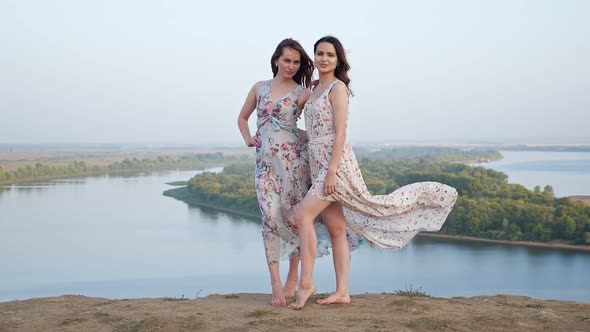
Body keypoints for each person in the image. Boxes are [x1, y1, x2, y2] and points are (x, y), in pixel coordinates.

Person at [289, 36, 459, 310]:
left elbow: (340, 133)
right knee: (336, 227)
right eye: (319, 53)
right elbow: (315, 132)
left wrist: (332, 171)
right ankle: (343, 291)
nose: (323, 59)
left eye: (330, 55)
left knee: (303, 215)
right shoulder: (313, 88)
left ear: (338, 59)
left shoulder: (337, 88)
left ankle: (306, 282)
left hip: (335, 165)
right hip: (317, 161)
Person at [237, 38, 337, 306]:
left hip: (294, 165)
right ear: (276, 61)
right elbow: (242, 118)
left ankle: (293, 277)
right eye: (286, 60)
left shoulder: (303, 93)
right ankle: (275, 284)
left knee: (295, 219)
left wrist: (314, 141)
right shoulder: (260, 88)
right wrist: (248, 138)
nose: (291, 66)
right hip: (266, 167)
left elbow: (319, 120)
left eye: (296, 61)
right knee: (270, 218)